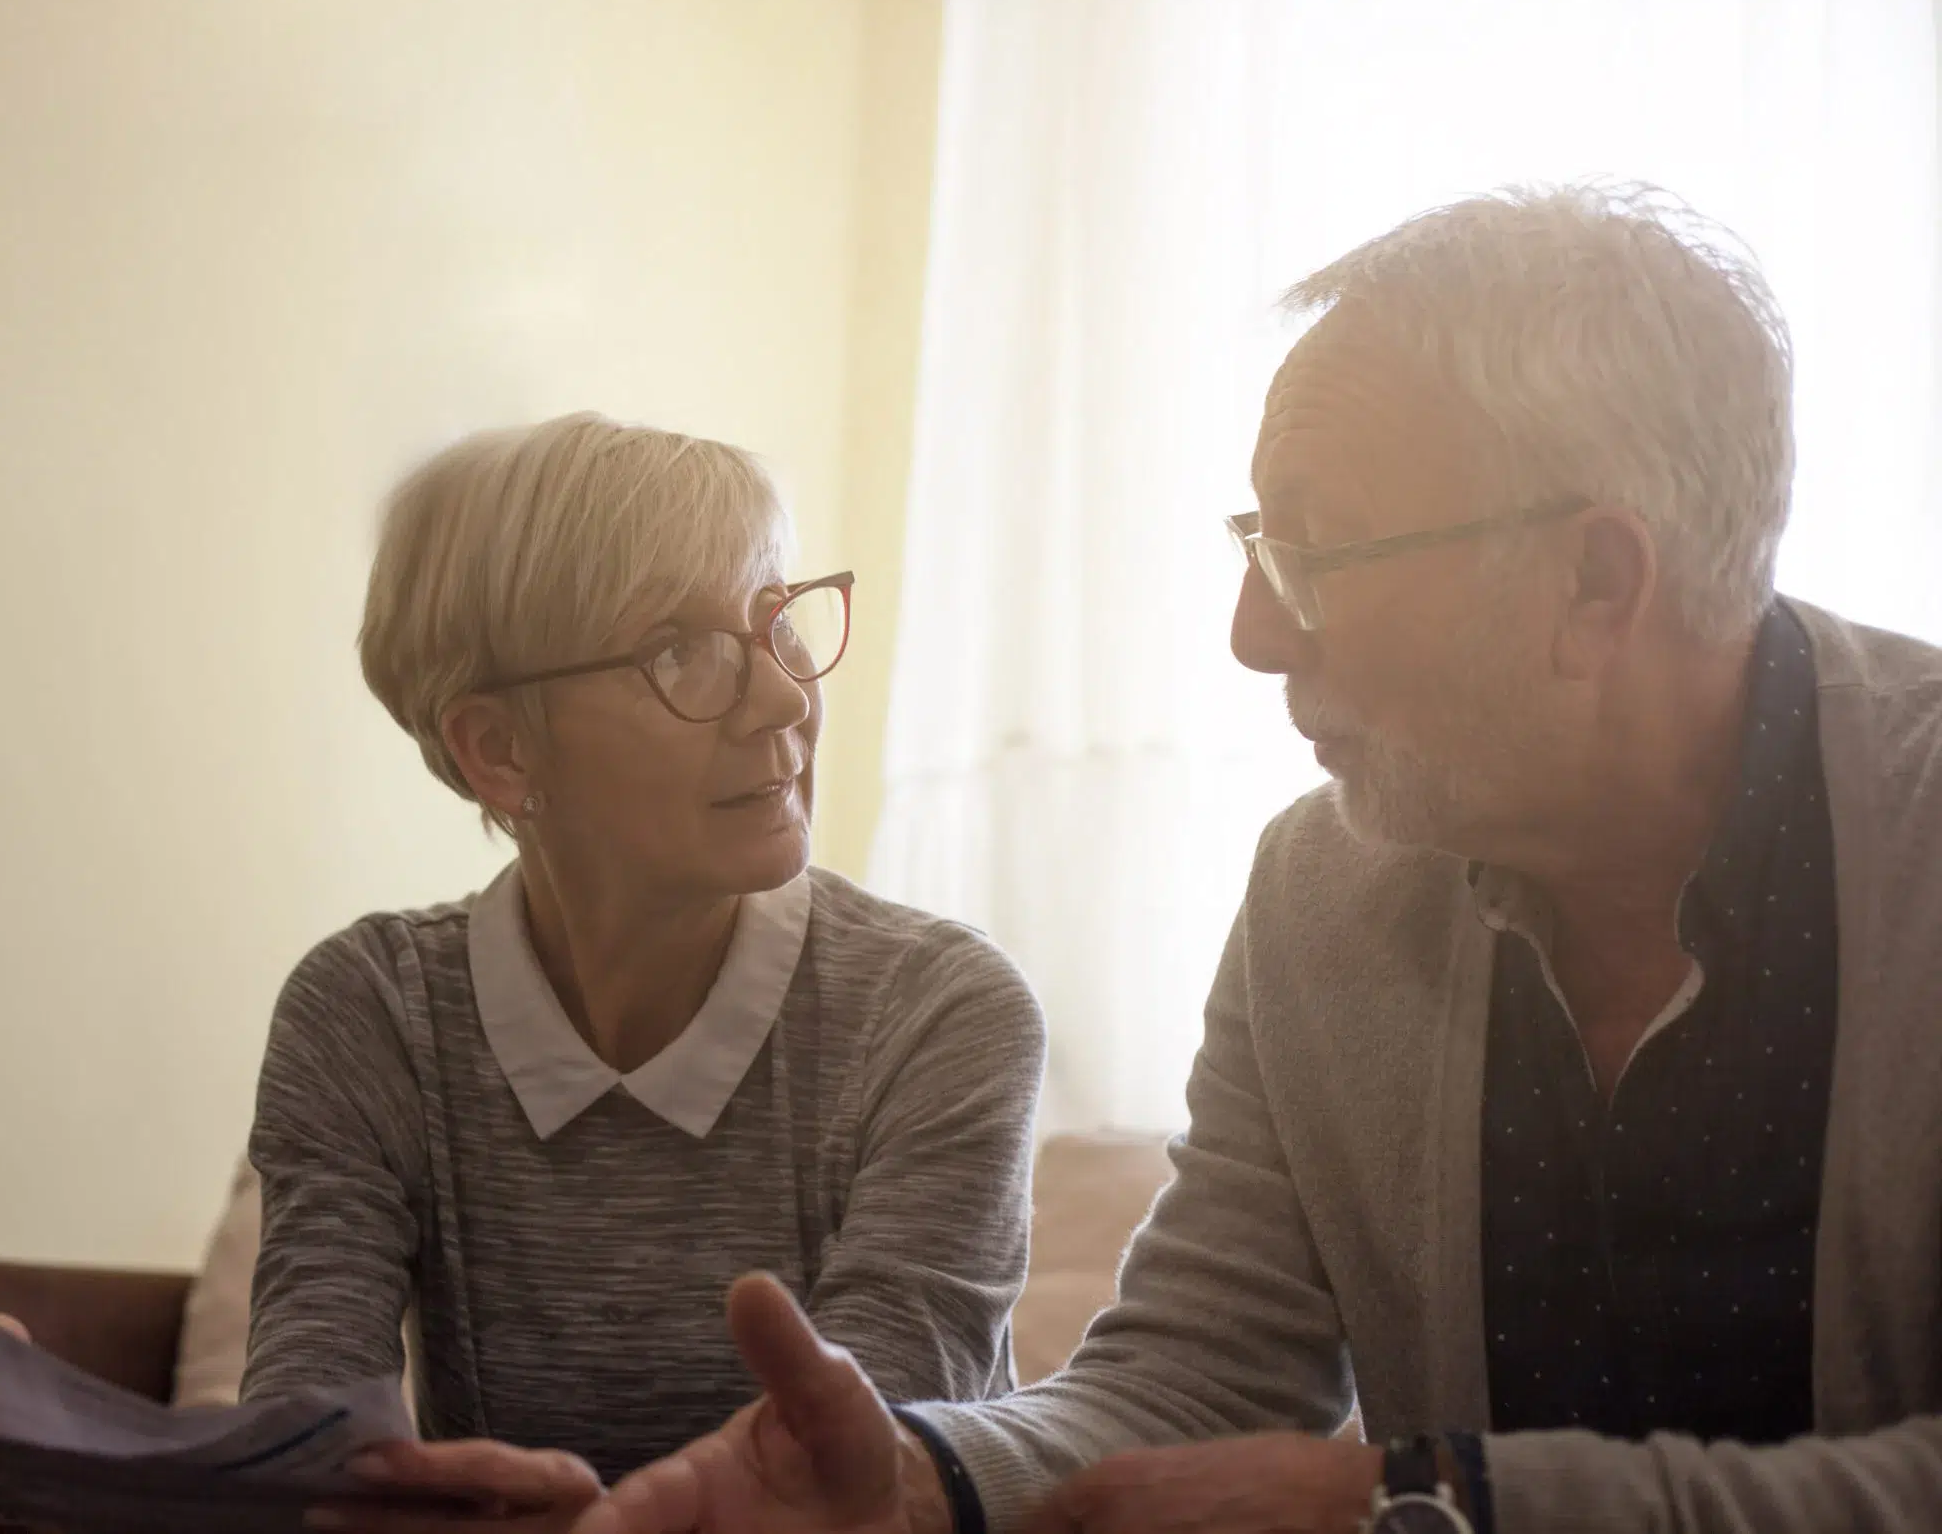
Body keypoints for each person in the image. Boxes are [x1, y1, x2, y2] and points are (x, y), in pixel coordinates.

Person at [499, 185, 1942, 1534]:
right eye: (1260, 540)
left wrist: (1417, 1503)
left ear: (1594, 583)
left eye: (1316, 547)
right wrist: (917, 1480)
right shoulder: (1326, 892)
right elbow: (1196, 1375)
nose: (1253, 631)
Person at [0, 413, 1048, 1529]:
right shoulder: (369, 1013)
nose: (785, 695)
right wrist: (39, 1469)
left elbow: (864, 1476)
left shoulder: (939, 1013)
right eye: (683, 651)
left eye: (777, 621)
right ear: (498, 752)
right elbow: (313, 1446)